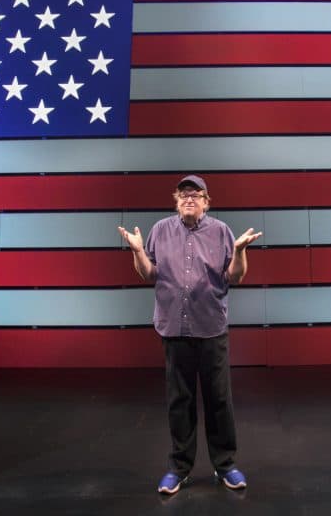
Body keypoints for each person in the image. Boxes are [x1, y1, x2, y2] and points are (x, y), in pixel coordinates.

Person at [118, 175, 262, 495]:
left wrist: (239, 251)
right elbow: (149, 274)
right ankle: (179, 468)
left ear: (206, 202)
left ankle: (225, 465)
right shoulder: (160, 230)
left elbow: (235, 277)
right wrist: (138, 252)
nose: (189, 199)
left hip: (211, 328)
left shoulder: (221, 231)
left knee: (218, 400)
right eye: (183, 194)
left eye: (196, 194)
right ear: (176, 200)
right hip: (174, 328)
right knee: (179, 402)